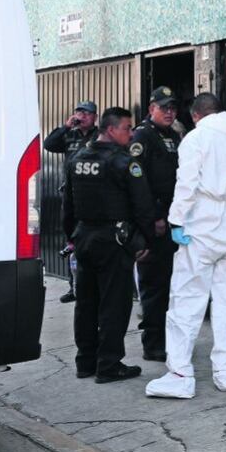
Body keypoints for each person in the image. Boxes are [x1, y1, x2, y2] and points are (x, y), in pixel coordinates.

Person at [145, 93, 226, 399]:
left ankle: (180, 375)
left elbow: (186, 183)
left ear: (196, 115)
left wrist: (176, 221)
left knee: (187, 300)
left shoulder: (197, 139)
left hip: (202, 225)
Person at [62, 107, 157, 384]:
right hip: (114, 241)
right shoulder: (124, 162)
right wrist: (145, 241)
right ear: (112, 129)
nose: (130, 134)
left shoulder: (78, 158)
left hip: (84, 238)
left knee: (86, 302)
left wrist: (72, 236)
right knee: (114, 304)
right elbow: (143, 207)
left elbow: (68, 204)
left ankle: (85, 361)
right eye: (127, 128)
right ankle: (109, 364)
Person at [129, 86, 183, 362]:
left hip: (174, 222)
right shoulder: (142, 136)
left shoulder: (172, 135)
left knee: (172, 285)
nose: (169, 112)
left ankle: (167, 338)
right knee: (154, 287)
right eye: (164, 108)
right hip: (156, 224)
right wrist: (153, 219)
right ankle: (153, 344)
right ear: (151, 108)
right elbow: (138, 184)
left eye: (173, 108)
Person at [44, 100, 98, 304]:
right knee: (71, 239)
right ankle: (73, 286)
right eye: (79, 112)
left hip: (93, 196)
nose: (81, 116)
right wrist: (66, 126)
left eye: (86, 113)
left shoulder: (98, 135)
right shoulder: (69, 134)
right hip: (71, 196)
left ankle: (89, 285)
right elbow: (49, 144)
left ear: (94, 117)